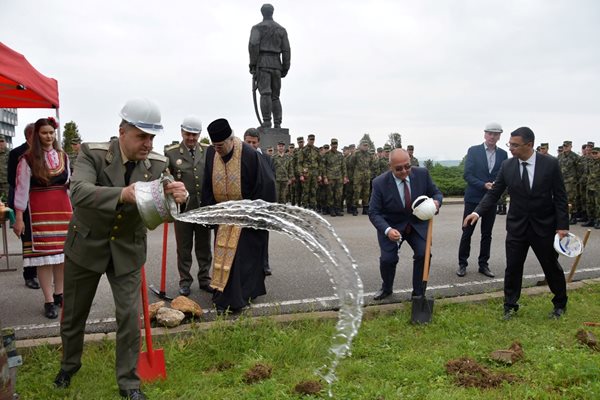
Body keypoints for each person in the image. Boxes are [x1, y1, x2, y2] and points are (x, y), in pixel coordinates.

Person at [53, 98, 189, 400]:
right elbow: (79, 192)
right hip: (86, 244)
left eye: (152, 137)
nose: (147, 142)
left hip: (127, 248)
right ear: (122, 131)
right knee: (74, 315)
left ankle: (129, 384)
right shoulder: (93, 153)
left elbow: (164, 201)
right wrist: (123, 194)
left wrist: (179, 196)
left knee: (129, 317)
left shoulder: (156, 163)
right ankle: (68, 366)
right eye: (142, 135)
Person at [464, 127, 569, 320]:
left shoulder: (550, 164)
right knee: (512, 267)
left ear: (529, 145)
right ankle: (510, 306)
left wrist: (562, 226)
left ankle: (560, 303)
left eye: (515, 145)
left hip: (543, 226)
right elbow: (494, 193)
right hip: (517, 227)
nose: (510, 148)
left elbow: (561, 197)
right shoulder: (507, 165)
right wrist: (476, 213)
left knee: (550, 266)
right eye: (509, 144)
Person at [202, 119, 276, 313]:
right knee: (222, 255)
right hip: (223, 216)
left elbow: (265, 184)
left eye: (220, 145)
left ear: (230, 139)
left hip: (245, 217)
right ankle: (221, 291)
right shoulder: (211, 153)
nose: (217, 149)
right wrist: (210, 211)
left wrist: (254, 214)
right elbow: (207, 183)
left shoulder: (249, 154)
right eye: (214, 145)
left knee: (240, 258)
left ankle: (238, 297)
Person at [12, 117, 72, 319]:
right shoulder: (27, 159)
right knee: (44, 259)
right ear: (36, 135)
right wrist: (19, 218)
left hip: (63, 212)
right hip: (39, 213)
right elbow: (21, 190)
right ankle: (48, 301)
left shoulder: (64, 156)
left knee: (62, 258)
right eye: (44, 133)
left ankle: (59, 294)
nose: (48, 136)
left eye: (51, 133)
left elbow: (70, 187)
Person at [368, 149, 443, 300]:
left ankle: (419, 293)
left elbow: (437, 193)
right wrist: (388, 230)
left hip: (417, 225)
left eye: (407, 166)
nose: (404, 171)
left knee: (424, 254)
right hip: (393, 226)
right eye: (399, 168)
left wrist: (436, 202)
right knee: (388, 260)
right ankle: (387, 288)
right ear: (390, 166)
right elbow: (374, 212)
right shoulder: (379, 183)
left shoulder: (422, 174)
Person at [165, 115, 213, 296]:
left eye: (194, 135)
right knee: (184, 248)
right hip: (183, 211)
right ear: (181, 132)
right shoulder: (171, 153)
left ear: (199, 134)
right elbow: (165, 179)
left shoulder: (208, 151)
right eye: (188, 134)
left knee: (204, 247)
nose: (191, 138)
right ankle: (185, 281)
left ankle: (204, 279)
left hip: (203, 210)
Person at [457, 123, 508, 278]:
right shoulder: (474, 151)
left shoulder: (503, 154)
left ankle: (483, 264)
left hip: (491, 200)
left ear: (499, 136)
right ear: (485, 134)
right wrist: (483, 184)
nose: (493, 137)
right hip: (474, 198)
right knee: (467, 231)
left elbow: (502, 175)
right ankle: (462, 263)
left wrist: (495, 186)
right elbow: (467, 174)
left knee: (487, 233)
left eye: (496, 134)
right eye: (490, 134)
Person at [248, 3, 291, 128]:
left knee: (266, 93)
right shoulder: (281, 30)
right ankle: (277, 123)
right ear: (272, 12)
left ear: (262, 13)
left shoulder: (257, 28)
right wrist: (285, 67)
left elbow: (253, 45)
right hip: (277, 64)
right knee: (275, 96)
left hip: (263, 63)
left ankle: (267, 121)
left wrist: (253, 64)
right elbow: (286, 50)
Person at [8, 123, 39, 289]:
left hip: (42, 202)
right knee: (27, 239)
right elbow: (12, 179)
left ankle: (44, 271)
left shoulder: (44, 152)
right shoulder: (16, 153)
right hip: (24, 201)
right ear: (30, 136)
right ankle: (29, 275)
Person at [243, 127, 275, 276]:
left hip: (263, 204)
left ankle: (264, 264)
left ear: (259, 142)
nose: (250, 145)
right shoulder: (240, 159)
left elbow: (271, 182)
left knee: (263, 235)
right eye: (247, 142)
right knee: (248, 237)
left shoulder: (267, 159)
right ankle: (250, 266)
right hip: (247, 204)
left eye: (253, 142)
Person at [322, 138, 348, 216]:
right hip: (330, 178)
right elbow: (323, 167)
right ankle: (331, 210)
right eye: (333, 144)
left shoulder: (340, 155)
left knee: (339, 195)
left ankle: (337, 209)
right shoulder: (327, 155)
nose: (334, 146)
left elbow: (343, 166)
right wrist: (325, 177)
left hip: (339, 178)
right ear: (331, 145)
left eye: (335, 144)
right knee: (330, 195)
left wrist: (345, 177)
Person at [297, 134, 321, 210]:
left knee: (314, 190)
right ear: (307, 140)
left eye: (313, 139)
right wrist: (301, 174)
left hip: (315, 173)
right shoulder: (303, 150)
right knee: (305, 191)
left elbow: (320, 163)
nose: (312, 141)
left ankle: (313, 206)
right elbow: (299, 163)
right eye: (310, 139)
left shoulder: (316, 150)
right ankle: (305, 207)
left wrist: (320, 174)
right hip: (306, 173)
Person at [0, 136, 9, 201]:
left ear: (5, 142)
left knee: (6, 202)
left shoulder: (11, 153)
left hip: (6, 184)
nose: (0, 143)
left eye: (2, 141)